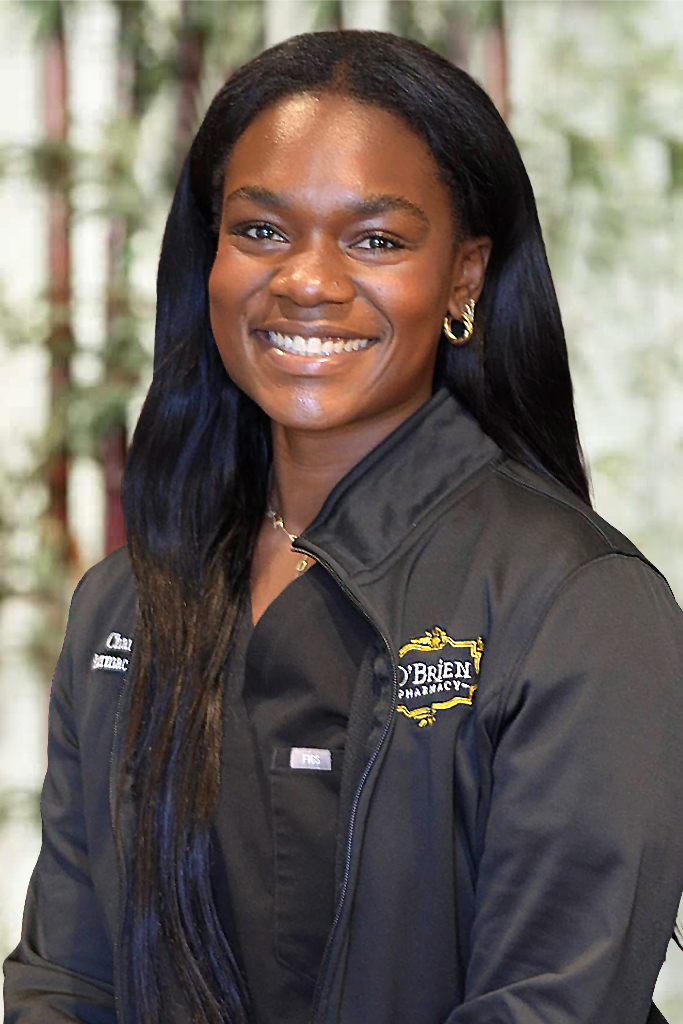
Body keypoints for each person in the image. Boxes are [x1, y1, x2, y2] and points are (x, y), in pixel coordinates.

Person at [4, 28, 683, 1024]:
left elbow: (550, 1005)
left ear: (463, 276)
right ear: (209, 258)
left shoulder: (577, 603)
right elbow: (67, 979)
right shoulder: (125, 603)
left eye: (375, 240)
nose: (306, 280)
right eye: (260, 230)